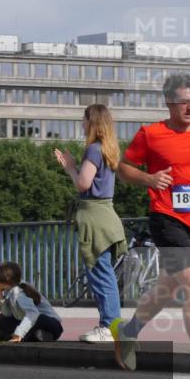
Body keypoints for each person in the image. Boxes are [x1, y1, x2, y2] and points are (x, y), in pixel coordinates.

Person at [112, 73, 190, 370]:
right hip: (168, 218)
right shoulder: (152, 133)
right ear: (169, 103)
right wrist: (149, 178)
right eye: (184, 102)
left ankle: (128, 331)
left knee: (168, 287)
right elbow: (123, 169)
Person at [54, 104, 126, 342]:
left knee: (99, 272)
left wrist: (70, 168)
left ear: (93, 122)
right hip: (106, 216)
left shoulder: (93, 150)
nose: (82, 124)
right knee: (104, 273)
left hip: (95, 218)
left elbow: (83, 184)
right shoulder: (108, 149)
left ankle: (109, 326)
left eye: (84, 120)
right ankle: (111, 325)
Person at [0, 261, 63, 342]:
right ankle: (38, 335)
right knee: (2, 320)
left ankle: (11, 336)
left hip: (51, 325)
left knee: (39, 319)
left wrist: (19, 333)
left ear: (6, 279)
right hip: (34, 324)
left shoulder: (19, 294)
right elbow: (7, 314)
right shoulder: (11, 291)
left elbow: (33, 314)